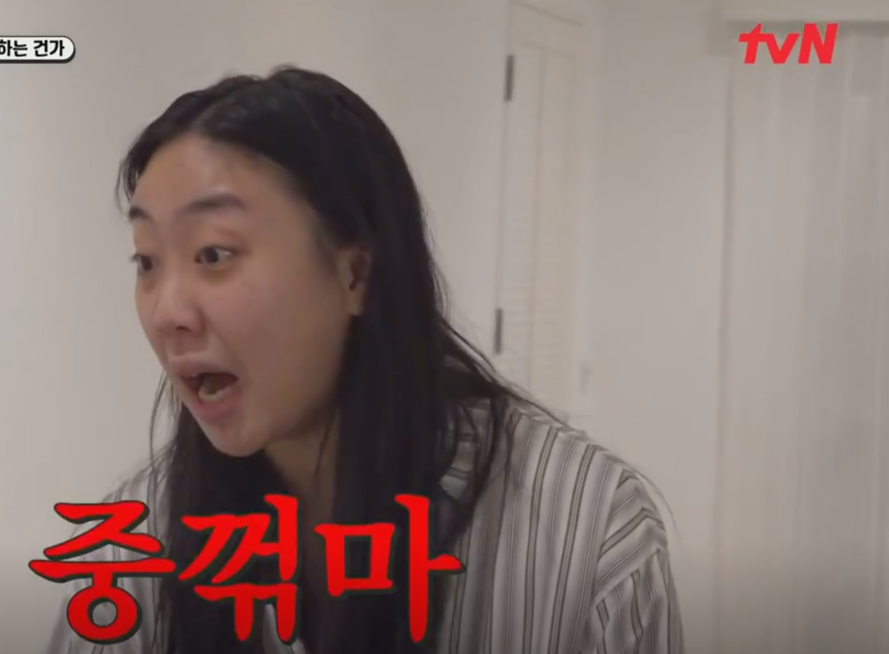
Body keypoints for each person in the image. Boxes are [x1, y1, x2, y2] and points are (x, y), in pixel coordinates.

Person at [42, 66, 683, 654]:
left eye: (213, 254)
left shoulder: (586, 530)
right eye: (147, 261)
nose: (166, 312)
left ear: (355, 273)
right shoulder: (127, 556)